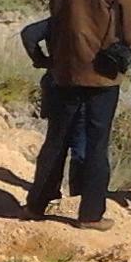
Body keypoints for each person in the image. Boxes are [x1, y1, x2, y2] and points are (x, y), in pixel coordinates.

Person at [27, 0, 131, 227]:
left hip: (65, 70)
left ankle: (36, 203)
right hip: (103, 75)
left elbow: (55, 20)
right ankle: (91, 214)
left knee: (56, 139)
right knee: (96, 143)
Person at [20, 14, 83, 202]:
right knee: (82, 144)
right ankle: (79, 197)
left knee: (55, 142)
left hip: (56, 83)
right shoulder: (95, 18)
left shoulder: (60, 18)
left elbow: (29, 34)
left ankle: (45, 193)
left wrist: (42, 60)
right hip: (85, 87)